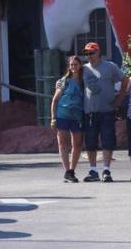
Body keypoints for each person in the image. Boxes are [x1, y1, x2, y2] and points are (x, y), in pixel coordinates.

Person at [81, 42, 127, 183]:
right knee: (90, 142)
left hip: (107, 110)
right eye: (87, 53)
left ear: (98, 52)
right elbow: (70, 79)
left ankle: (106, 170)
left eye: (91, 53)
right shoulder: (83, 69)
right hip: (90, 111)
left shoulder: (110, 66)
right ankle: (93, 170)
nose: (89, 56)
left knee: (107, 141)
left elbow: (125, 81)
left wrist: (119, 99)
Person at [51, 55, 85, 183]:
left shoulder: (83, 81)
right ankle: (67, 171)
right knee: (63, 143)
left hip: (77, 116)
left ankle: (72, 169)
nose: (73, 67)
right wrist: (53, 118)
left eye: (76, 64)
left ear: (80, 65)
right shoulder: (63, 81)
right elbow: (55, 100)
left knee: (77, 144)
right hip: (63, 115)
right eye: (71, 65)